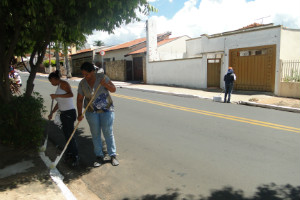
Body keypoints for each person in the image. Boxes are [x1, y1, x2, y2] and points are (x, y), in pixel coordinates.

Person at [77, 62, 119, 167]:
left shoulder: (102, 77)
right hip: (91, 112)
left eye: (87, 74)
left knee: (108, 132)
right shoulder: (82, 83)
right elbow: (79, 99)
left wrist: (106, 84)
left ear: (92, 71)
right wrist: (79, 114)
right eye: (83, 74)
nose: (85, 76)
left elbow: (113, 89)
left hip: (106, 110)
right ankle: (99, 156)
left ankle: (112, 155)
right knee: (95, 134)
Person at [48, 70, 79, 167]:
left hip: (69, 113)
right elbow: (59, 103)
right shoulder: (58, 87)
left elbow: (71, 94)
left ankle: (75, 156)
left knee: (70, 136)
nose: (51, 83)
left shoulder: (64, 84)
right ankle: (69, 153)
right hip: (64, 114)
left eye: (51, 81)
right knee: (67, 135)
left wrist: (56, 95)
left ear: (55, 79)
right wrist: (52, 113)